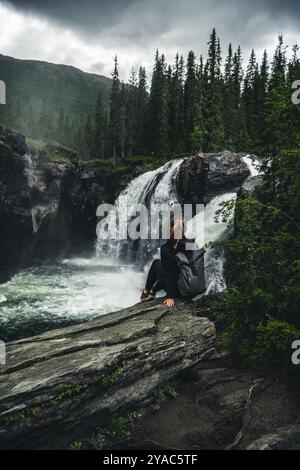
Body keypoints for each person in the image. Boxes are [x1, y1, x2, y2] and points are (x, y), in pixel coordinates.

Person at [140, 218, 194, 308]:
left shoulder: (166, 248)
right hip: (193, 288)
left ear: (170, 229)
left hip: (179, 291)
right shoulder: (192, 244)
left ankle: (146, 292)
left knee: (157, 263)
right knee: (170, 268)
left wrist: (170, 296)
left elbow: (169, 274)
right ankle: (152, 291)